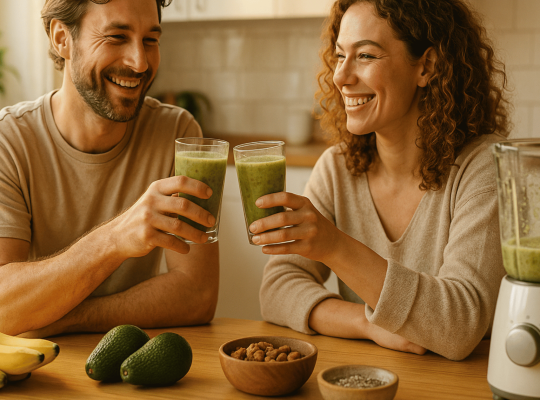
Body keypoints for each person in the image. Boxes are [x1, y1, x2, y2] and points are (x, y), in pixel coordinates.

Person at [255, 0, 510, 360]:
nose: (341, 76)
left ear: (427, 66)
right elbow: (277, 289)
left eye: (366, 56)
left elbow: (459, 327)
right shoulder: (338, 168)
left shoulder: (482, 168)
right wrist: (367, 323)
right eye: (340, 55)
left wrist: (334, 246)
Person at [0, 0, 220, 338]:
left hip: (132, 368)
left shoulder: (176, 133)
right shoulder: (8, 141)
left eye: (151, 40)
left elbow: (198, 294)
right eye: (117, 36)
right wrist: (116, 238)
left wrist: (62, 318)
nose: (140, 62)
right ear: (62, 38)